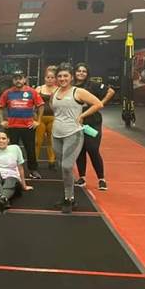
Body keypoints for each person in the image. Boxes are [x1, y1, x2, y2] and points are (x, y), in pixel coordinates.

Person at [50, 63, 103, 213]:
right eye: (59, 76)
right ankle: (68, 196)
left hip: (73, 134)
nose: (62, 78)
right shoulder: (55, 91)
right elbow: (54, 108)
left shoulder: (78, 92)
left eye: (65, 76)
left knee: (67, 166)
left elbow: (98, 104)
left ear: (71, 77)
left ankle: (70, 198)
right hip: (56, 134)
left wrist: (82, 115)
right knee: (63, 166)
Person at [74, 63, 115, 190]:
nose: (81, 73)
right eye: (79, 71)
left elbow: (111, 91)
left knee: (93, 149)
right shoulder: (71, 86)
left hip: (92, 121)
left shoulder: (93, 85)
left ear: (87, 74)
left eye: (84, 71)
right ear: (74, 72)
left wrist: (100, 103)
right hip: (76, 122)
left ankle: (101, 179)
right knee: (80, 150)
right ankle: (82, 177)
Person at [0, 70, 44, 179]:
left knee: (30, 149)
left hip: (28, 126)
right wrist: (1, 121)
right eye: (15, 78)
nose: (18, 80)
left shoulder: (32, 92)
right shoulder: (7, 92)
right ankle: (11, 169)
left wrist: (38, 121)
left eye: (20, 78)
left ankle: (33, 170)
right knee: (11, 150)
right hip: (12, 127)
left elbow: (41, 105)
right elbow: (0, 107)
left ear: (25, 79)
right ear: (13, 80)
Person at [35, 66, 58, 170]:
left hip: (53, 118)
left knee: (51, 141)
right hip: (40, 118)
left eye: (52, 77)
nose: (50, 79)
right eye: (48, 77)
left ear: (55, 79)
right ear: (44, 78)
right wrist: (33, 116)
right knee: (37, 141)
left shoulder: (58, 90)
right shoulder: (39, 89)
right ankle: (34, 161)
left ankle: (51, 162)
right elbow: (32, 103)